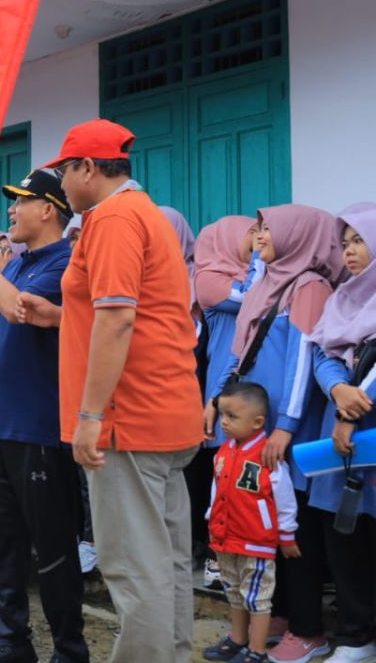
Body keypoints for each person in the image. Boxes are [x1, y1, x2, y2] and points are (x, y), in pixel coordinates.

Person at [28, 120, 203, 663]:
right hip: (163, 411)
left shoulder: (113, 219)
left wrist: (89, 414)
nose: (59, 184)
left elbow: (118, 320)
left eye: (63, 171)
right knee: (167, 560)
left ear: (87, 168)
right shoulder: (141, 212)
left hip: (128, 418)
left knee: (134, 566)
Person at [0, 169, 90, 663]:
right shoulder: (10, 266)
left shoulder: (66, 264)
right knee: (3, 543)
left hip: (40, 431)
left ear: (48, 209)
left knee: (52, 549)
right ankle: (12, 640)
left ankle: (69, 648)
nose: (11, 210)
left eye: (20, 201)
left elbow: (19, 313)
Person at [206, 205, 343, 663]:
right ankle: (277, 613)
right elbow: (238, 350)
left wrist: (285, 425)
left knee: (292, 523)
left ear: (295, 234)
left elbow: (303, 360)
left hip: (289, 429)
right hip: (254, 430)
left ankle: (308, 630)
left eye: (267, 228)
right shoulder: (265, 281)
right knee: (261, 524)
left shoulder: (309, 286)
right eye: (258, 227)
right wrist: (218, 398)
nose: (259, 235)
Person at [307, 203, 376, 663]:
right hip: (344, 431)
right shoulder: (340, 298)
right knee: (346, 533)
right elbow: (321, 351)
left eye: (359, 239)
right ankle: (356, 637)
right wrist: (337, 388)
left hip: (361, 423)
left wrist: (356, 402)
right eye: (345, 241)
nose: (349, 251)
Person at [202, 382, 300, 663]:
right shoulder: (223, 451)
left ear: (257, 422)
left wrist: (287, 535)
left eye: (232, 417)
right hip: (226, 537)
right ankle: (237, 638)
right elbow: (217, 489)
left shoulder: (267, 455)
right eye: (223, 415)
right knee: (233, 591)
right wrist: (212, 516)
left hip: (256, 540)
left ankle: (256, 651)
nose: (224, 422)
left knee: (257, 596)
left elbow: (284, 498)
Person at [194, 216, 263, 588]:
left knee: (249, 475)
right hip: (224, 389)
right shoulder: (208, 278)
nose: (259, 238)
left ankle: (247, 553)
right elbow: (253, 299)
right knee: (224, 477)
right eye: (252, 232)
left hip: (250, 385)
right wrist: (261, 260)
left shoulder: (249, 273)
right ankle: (217, 558)